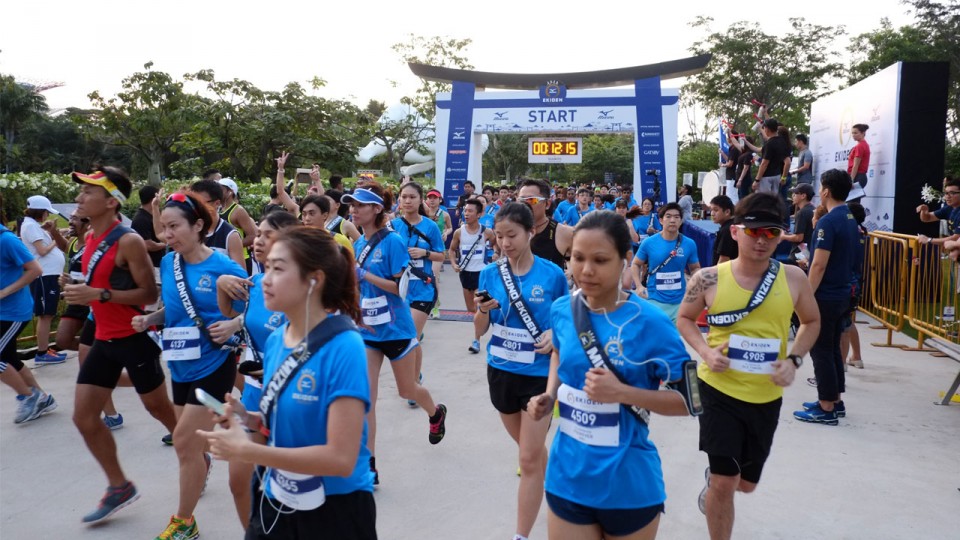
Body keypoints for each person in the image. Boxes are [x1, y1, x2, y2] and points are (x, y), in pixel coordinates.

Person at [199, 227, 376, 539]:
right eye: (266, 267)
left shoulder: (345, 347)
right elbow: (278, 425)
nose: (264, 279)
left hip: (335, 512)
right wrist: (248, 419)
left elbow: (341, 458)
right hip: (276, 497)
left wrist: (250, 452)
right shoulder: (278, 339)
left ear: (314, 279)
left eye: (278, 269)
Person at [528, 210, 692, 539]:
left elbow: (693, 400)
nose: (586, 270)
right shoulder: (562, 308)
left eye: (600, 260)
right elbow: (559, 352)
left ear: (624, 259)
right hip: (567, 477)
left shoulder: (652, 322)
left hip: (628, 485)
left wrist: (623, 393)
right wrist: (549, 393)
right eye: (577, 258)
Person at [677, 192, 819, 540]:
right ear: (736, 231)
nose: (761, 240)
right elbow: (684, 319)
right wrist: (705, 353)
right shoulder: (708, 279)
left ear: (781, 235)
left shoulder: (793, 278)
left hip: (765, 397)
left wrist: (794, 359)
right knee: (726, 481)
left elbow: (812, 321)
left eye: (771, 233)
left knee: (746, 485)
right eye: (753, 232)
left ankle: (714, 485)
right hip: (717, 390)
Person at [131, 190, 246, 539]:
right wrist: (153, 318)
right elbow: (177, 309)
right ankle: (200, 470)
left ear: (198, 225)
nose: (168, 235)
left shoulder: (224, 266)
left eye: (175, 226)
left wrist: (232, 325)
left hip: (214, 365)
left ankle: (184, 523)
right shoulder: (169, 263)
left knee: (182, 441)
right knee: (190, 447)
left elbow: (258, 309)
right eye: (164, 228)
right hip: (179, 363)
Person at [67, 168, 178, 525]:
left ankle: (196, 452)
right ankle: (119, 486)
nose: (80, 198)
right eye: (81, 191)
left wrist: (99, 293)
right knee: (84, 418)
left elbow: (148, 294)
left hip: (134, 338)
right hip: (103, 339)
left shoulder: (128, 240)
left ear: (111, 202)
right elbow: (99, 284)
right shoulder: (88, 238)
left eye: (88, 192)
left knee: (160, 411)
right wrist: (78, 287)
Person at [474, 202, 568, 540]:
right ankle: (557, 479)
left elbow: (565, 322)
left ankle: (521, 535)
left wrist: (555, 335)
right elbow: (480, 329)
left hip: (538, 376)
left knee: (528, 459)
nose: (505, 243)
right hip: (499, 371)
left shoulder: (553, 275)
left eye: (511, 235)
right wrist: (481, 312)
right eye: (499, 236)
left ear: (530, 232)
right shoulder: (489, 273)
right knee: (531, 451)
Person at [344, 184, 447, 485]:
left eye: (360, 205)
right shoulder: (356, 246)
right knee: (367, 400)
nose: (354, 210)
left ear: (376, 209)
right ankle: (370, 465)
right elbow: (356, 288)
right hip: (368, 331)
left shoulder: (393, 242)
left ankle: (435, 412)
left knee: (407, 390)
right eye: (351, 205)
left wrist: (364, 275)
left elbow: (399, 288)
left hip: (397, 329)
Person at [214, 210, 299, 526]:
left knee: (290, 489)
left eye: (265, 235)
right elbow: (230, 311)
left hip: (291, 399)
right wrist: (223, 283)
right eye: (257, 234)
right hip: (252, 395)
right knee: (239, 481)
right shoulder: (256, 282)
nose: (256, 241)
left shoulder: (304, 288)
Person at [794, 169, 859, 426]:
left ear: (825, 191)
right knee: (832, 349)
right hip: (843, 292)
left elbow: (818, 265)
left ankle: (826, 407)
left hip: (827, 295)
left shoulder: (828, 221)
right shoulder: (850, 216)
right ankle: (834, 400)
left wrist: (806, 296)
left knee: (821, 350)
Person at [391, 183, 445, 403]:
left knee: (412, 336)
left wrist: (425, 252)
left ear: (420, 199)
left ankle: (414, 384)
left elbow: (442, 255)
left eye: (412, 197)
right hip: (399, 289)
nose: (407, 201)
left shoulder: (430, 227)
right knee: (405, 337)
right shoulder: (392, 226)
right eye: (404, 197)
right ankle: (416, 375)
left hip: (423, 288)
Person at [1, 222, 56, 423]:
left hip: (13, 311)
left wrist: (5, 292)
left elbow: (35, 269)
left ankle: (29, 397)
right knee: (8, 357)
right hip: (3, 312)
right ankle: (43, 398)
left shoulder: (6, 240)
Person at [630, 203, 700, 322]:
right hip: (654, 300)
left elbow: (695, 269)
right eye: (668, 216)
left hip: (680, 302)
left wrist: (695, 286)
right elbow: (635, 264)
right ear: (661, 220)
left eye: (676, 217)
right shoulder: (649, 242)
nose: (672, 220)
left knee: (676, 339)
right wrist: (638, 286)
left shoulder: (689, 244)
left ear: (681, 221)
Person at [20, 195, 67, 364]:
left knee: (47, 313)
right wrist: (55, 240)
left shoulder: (33, 226)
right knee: (45, 315)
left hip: (49, 274)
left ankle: (45, 350)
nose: (47, 215)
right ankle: (42, 352)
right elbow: (41, 251)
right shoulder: (30, 227)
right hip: (44, 275)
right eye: (46, 212)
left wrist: (49, 231)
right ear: (41, 211)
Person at [448, 198, 498, 352]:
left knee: (478, 307)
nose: (466, 214)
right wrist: (454, 263)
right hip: (465, 273)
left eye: (470, 211)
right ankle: (484, 320)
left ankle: (476, 340)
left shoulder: (486, 232)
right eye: (465, 210)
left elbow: (496, 244)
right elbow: (451, 250)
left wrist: (495, 253)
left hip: (481, 273)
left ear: (479, 214)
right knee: (470, 308)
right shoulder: (459, 232)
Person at [54, 212, 92, 352]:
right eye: (70, 218)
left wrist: (75, 282)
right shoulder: (73, 242)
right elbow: (66, 248)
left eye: (75, 218)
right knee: (62, 340)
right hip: (75, 299)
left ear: (88, 224)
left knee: (88, 347)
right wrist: (54, 232)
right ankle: (96, 349)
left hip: (91, 298)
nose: (70, 222)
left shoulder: (94, 244)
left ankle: (95, 351)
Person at [519, 178, 574, 271]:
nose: (525, 204)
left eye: (532, 200)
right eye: (521, 200)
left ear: (547, 204)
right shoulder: (510, 232)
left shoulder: (564, 233)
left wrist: (571, 270)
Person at [842, 202, 867, 370]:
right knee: (847, 321)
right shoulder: (860, 232)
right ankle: (855, 356)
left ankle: (841, 362)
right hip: (854, 281)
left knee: (842, 324)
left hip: (848, 282)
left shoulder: (849, 233)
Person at [219, 177, 259, 274]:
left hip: (241, 260)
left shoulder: (238, 211)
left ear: (230, 192)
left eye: (221, 189)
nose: (217, 192)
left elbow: (252, 236)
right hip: (224, 260)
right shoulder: (218, 209)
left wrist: (232, 246)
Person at [131, 185, 167, 270]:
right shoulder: (140, 219)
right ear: (153, 199)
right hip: (151, 266)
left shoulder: (152, 214)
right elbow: (149, 245)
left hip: (159, 262)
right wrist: (168, 243)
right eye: (159, 196)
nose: (161, 199)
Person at [917, 177, 960, 247]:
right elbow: (926, 218)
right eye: (946, 193)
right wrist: (924, 211)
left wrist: (929, 240)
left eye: (952, 193)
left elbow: (956, 238)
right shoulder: (948, 208)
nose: (947, 196)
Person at [781, 183, 816, 267]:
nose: (793, 196)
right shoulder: (813, 209)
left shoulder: (802, 213)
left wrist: (782, 236)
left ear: (803, 196)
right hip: (809, 254)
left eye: (796, 193)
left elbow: (799, 237)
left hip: (798, 256)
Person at [754, 119, 792, 194]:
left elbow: (764, 164)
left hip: (766, 177)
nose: (764, 129)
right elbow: (788, 162)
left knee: (763, 201)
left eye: (764, 128)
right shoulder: (782, 141)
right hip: (777, 176)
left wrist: (757, 180)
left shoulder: (769, 144)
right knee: (774, 201)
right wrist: (783, 177)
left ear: (767, 129)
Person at [709, 195, 738, 266]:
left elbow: (724, 260)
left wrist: (714, 276)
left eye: (716, 210)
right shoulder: (731, 226)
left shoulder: (727, 230)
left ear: (727, 212)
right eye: (711, 210)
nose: (712, 214)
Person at [847, 124, 871, 190]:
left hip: (857, 176)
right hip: (859, 177)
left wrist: (851, 180)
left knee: (852, 200)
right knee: (855, 200)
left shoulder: (860, 146)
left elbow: (855, 165)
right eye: (852, 133)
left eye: (855, 133)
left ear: (863, 133)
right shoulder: (864, 144)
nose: (853, 135)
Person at [722, 131, 742, 201]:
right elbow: (729, 160)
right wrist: (722, 153)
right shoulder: (733, 149)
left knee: (732, 195)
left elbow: (730, 164)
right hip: (731, 176)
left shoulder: (734, 149)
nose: (727, 138)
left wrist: (722, 165)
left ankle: (734, 210)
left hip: (732, 176)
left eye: (728, 137)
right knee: (731, 194)